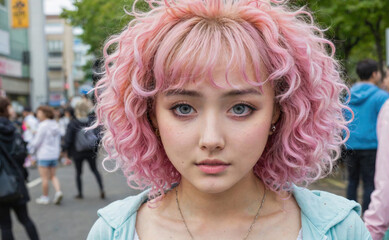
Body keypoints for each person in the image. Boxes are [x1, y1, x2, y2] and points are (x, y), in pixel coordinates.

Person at [88, 0, 372, 239]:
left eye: (240, 108)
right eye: (184, 108)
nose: (211, 140)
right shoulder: (113, 232)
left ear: (279, 110)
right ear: (150, 115)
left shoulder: (340, 229)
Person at [344, 59, 389, 213]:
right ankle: (367, 219)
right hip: (372, 147)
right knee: (370, 183)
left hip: (351, 145)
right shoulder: (381, 96)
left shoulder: (348, 95)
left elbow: (344, 119)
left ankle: (349, 217)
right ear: (374, 74)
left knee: (352, 181)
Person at [364, 62, 389, 240]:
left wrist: (371, 230)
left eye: (387, 76)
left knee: (355, 182)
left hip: (357, 147)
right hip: (370, 146)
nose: (385, 81)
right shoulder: (380, 97)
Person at [0, 96, 40, 240]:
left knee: (5, 225)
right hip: (17, 180)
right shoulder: (14, 128)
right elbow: (22, 153)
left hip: (2, 184)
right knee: (25, 219)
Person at [64, 100, 105, 199]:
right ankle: (101, 189)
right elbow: (98, 135)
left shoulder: (73, 123)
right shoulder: (91, 121)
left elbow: (68, 139)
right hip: (91, 150)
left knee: (78, 173)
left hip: (77, 152)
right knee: (95, 170)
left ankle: (80, 193)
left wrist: (66, 151)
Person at [28, 106, 63, 205]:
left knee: (44, 178)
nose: (37, 114)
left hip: (44, 154)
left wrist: (31, 150)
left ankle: (45, 197)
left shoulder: (42, 125)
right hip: (54, 154)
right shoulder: (55, 125)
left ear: (44, 113)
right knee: (53, 176)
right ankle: (58, 191)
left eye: (39, 112)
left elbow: (36, 142)